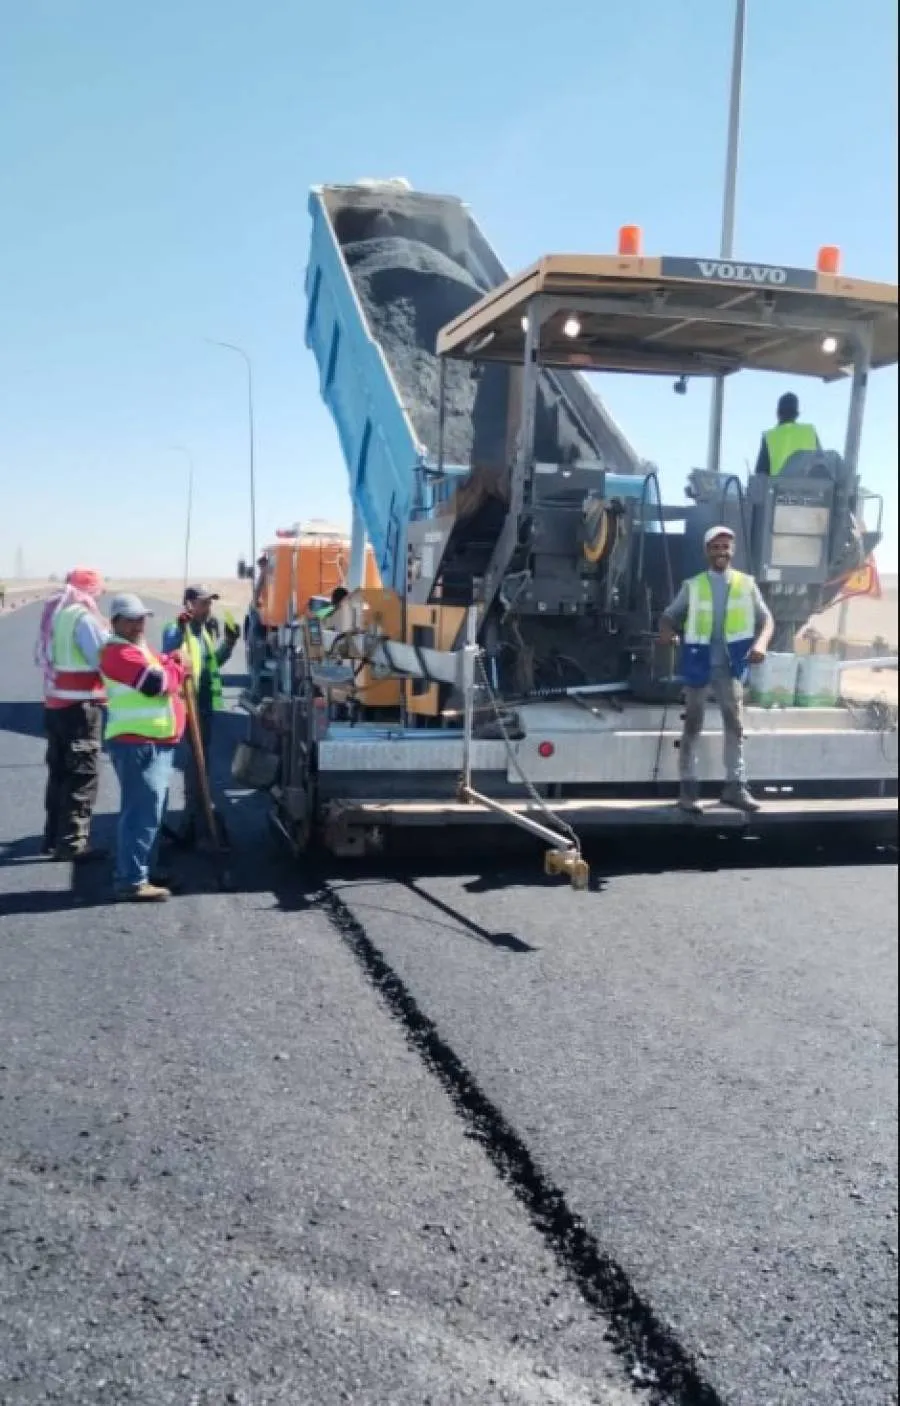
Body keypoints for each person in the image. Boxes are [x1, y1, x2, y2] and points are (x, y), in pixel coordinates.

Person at [659, 526, 774, 815]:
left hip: (731, 666)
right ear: (707, 551)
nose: (721, 552)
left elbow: (767, 620)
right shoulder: (693, 586)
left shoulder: (746, 584)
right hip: (699, 664)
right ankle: (688, 790)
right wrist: (667, 633)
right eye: (715, 547)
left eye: (726, 547)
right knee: (693, 725)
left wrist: (760, 644)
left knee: (735, 726)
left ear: (732, 550)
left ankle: (735, 788)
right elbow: (669, 616)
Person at [99, 594, 188, 901]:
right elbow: (154, 684)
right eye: (131, 619)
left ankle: (144, 870)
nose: (139, 624)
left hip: (156, 741)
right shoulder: (117, 653)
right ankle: (131, 880)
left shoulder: (139, 647)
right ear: (116, 622)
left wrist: (171, 663)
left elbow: (161, 664)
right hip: (137, 742)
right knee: (140, 813)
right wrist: (179, 669)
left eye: (141, 618)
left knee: (153, 812)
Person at [34, 566, 110, 861]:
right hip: (79, 708)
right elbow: (100, 657)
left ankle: (53, 837)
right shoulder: (83, 617)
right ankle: (73, 843)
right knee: (82, 774)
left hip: (55, 705)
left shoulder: (58, 615)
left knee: (59, 774)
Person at [161, 586, 240, 847]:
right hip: (188, 709)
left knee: (200, 767)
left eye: (209, 604)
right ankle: (193, 824)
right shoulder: (177, 630)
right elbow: (169, 662)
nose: (208, 609)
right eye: (203, 603)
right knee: (195, 768)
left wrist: (228, 643)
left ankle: (193, 822)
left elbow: (212, 664)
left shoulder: (202, 631)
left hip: (204, 708)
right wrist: (180, 634)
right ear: (188, 604)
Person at [754, 393, 822, 478]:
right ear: (797, 414)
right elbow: (822, 464)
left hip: (778, 489)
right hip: (810, 489)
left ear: (778, 413)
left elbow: (761, 474)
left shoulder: (769, 436)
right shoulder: (810, 431)